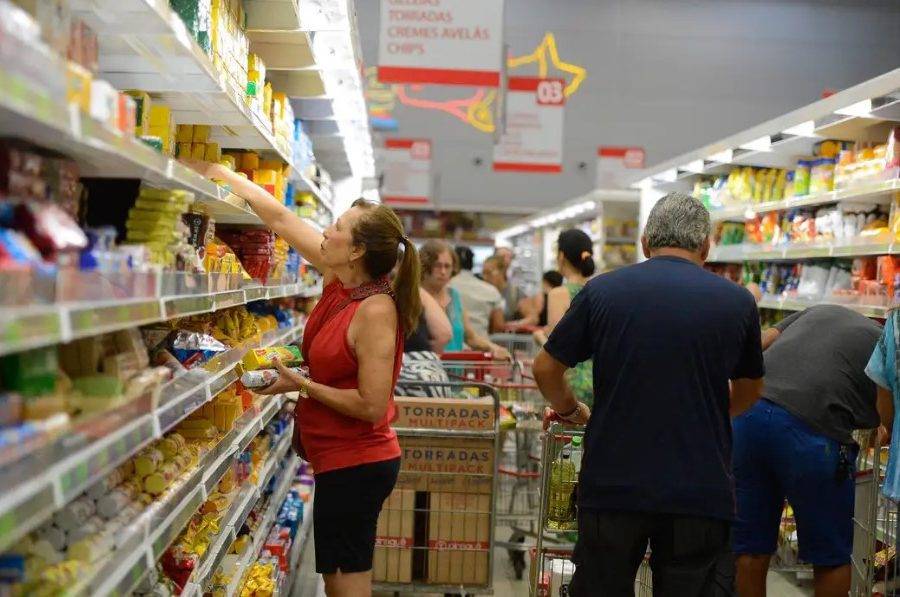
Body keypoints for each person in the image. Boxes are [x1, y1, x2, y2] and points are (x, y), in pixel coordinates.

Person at [182, 158, 418, 597]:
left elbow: (371, 404)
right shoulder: (340, 280)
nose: (326, 230)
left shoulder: (376, 310)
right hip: (336, 458)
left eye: (338, 225)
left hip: (359, 462)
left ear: (357, 250)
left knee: (347, 586)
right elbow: (281, 218)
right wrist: (224, 173)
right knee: (335, 581)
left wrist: (301, 384)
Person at [532, 192, 764, 596]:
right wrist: (708, 415)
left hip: (613, 484)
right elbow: (749, 391)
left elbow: (546, 368)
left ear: (644, 242)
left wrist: (570, 410)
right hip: (701, 487)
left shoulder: (603, 292)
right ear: (706, 247)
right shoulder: (737, 302)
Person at [734, 305, 883, 597]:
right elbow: (885, 417)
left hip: (748, 416)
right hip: (811, 432)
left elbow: (760, 341)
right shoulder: (884, 343)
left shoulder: (818, 310)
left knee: (748, 548)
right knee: (831, 557)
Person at [533, 229, 596, 407]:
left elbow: (557, 344)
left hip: (571, 381)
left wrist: (539, 336)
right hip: (599, 380)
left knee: (568, 434)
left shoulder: (559, 294)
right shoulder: (599, 290)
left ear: (561, 256)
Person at [420, 240, 510, 359]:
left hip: (456, 371)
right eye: (437, 265)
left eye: (447, 266)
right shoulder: (415, 296)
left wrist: (494, 348)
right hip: (424, 373)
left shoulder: (454, 296)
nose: (443, 272)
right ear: (425, 266)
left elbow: (470, 337)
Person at [396, 287, 454, 398]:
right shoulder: (415, 291)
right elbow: (444, 334)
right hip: (433, 375)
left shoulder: (373, 295)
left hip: (398, 374)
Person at [448, 245, 505, 338]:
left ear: (453, 264)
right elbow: (498, 325)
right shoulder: (491, 291)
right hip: (482, 346)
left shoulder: (445, 288)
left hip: (452, 345)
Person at [482, 255, 524, 323]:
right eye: (483, 273)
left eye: (489, 273)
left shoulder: (515, 293)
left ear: (502, 271)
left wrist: (510, 326)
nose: (485, 277)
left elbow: (532, 318)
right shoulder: (481, 293)